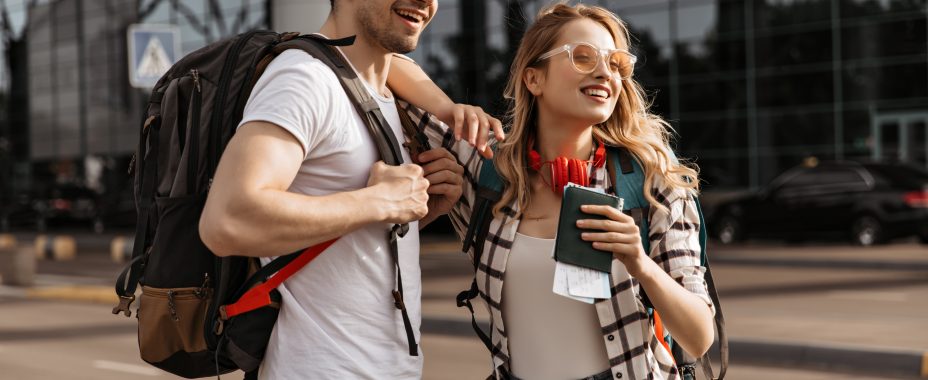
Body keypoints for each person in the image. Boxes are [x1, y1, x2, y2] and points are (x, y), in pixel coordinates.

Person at [389, 3, 716, 379]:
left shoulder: (649, 179)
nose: (603, 72)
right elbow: (383, 63)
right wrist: (450, 110)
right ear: (534, 79)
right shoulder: (488, 169)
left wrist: (640, 264)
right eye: (582, 57)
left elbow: (699, 337)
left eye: (615, 63)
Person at [199, 0, 498, 378]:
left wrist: (420, 208)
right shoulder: (304, 79)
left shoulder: (379, 92)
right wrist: (376, 201)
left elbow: (341, 234)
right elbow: (226, 220)